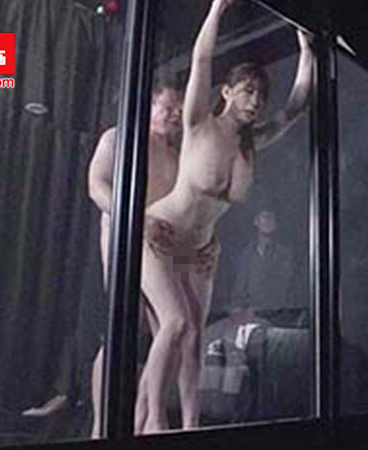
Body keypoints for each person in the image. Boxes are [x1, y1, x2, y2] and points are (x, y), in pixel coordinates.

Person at [137, 0, 313, 432]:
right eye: (247, 91)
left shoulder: (252, 143)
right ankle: (153, 422)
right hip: (159, 232)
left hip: (201, 248)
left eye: (261, 95)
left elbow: (295, 106)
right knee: (175, 324)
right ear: (226, 93)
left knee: (195, 338)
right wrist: (217, 9)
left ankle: (191, 425)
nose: (256, 101)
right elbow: (201, 59)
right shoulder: (199, 122)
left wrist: (306, 49)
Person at [87, 78, 186, 437]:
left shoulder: (175, 156)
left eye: (179, 110)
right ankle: (105, 425)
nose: (174, 115)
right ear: (149, 106)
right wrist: (136, 219)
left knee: (168, 333)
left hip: (160, 246)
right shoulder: (118, 137)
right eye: (168, 107)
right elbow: (96, 185)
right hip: (125, 238)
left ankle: (145, 417)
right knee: (124, 329)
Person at [232, 208, 303, 326]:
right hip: (249, 320)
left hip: (277, 319)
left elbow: (284, 291)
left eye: (272, 218)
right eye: (265, 217)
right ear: (256, 221)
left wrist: (258, 309)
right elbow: (239, 289)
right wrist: (237, 309)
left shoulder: (285, 254)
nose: (268, 221)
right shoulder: (246, 254)